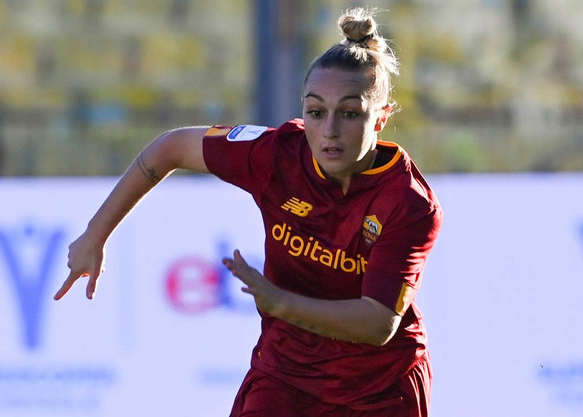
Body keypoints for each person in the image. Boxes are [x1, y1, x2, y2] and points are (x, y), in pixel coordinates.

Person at [54, 7, 442, 417]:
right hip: (286, 377)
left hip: (380, 390)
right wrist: (96, 233)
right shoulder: (277, 155)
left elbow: (378, 323)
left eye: (349, 114)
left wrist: (281, 303)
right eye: (315, 112)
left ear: (381, 117)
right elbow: (171, 148)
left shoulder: (408, 202)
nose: (329, 131)